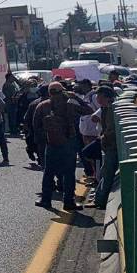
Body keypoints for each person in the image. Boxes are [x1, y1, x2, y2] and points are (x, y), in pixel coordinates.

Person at [33, 82, 93, 212]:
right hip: (68, 142)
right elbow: (89, 111)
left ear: (49, 93)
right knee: (69, 173)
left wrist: (43, 141)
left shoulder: (42, 106)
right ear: (63, 92)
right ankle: (68, 202)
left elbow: (36, 126)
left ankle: (46, 200)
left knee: (48, 173)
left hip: (51, 143)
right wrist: (76, 98)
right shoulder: (70, 105)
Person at [92, 85, 118, 210]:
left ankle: (101, 200)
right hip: (108, 145)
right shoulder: (105, 108)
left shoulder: (112, 108)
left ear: (105, 97)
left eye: (99, 96)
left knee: (107, 172)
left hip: (111, 145)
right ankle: (99, 198)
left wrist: (104, 137)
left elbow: (111, 129)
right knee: (104, 171)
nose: (97, 98)